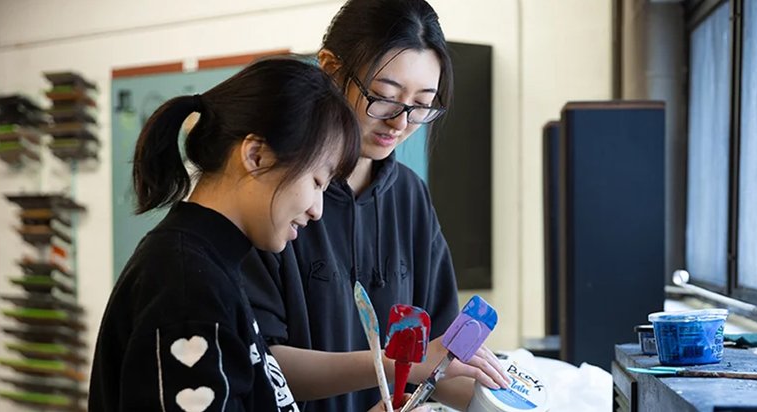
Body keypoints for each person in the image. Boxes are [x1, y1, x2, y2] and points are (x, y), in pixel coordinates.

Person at [241, 1, 510, 411]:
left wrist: (498, 389)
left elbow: (438, 362)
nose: (400, 123)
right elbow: (257, 360)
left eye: (422, 105)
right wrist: (396, 363)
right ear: (331, 69)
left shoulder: (410, 196)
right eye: (384, 97)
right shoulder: (279, 191)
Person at [89, 57, 391, 411]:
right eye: (316, 182)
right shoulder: (187, 285)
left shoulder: (208, 267)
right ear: (256, 155)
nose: (316, 210)